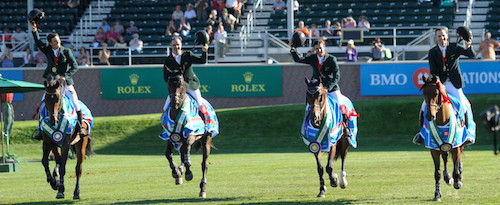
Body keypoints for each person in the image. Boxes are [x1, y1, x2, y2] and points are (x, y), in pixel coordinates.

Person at [413, 26, 476, 145]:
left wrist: (468, 44)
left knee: (463, 104)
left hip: (454, 83)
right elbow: (433, 70)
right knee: (424, 106)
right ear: (436, 38)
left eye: (443, 35)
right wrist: (437, 82)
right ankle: (421, 134)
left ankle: (468, 134)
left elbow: (471, 54)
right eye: (439, 36)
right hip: (440, 83)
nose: (442, 38)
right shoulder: (432, 52)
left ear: (447, 36)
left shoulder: (454, 47)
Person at [30, 21, 84, 139]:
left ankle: (80, 126)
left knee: (75, 101)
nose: (58, 42)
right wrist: (35, 30)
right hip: (52, 83)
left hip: (64, 82)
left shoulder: (66, 51)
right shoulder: (48, 50)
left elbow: (75, 66)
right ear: (50, 43)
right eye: (55, 41)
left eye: (58, 40)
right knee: (43, 104)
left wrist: (65, 75)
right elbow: (38, 42)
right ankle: (40, 129)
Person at [290, 39, 352, 136]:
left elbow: (337, 76)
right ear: (315, 49)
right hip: (317, 88)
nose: (319, 50)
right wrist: (293, 49)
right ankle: (304, 129)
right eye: (317, 49)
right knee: (308, 107)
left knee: (340, 105)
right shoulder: (313, 58)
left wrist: (327, 88)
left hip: (331, 88)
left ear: (324, 47)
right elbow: (299, 59)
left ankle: (346, 127)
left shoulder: (331, 59)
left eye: (321, 48)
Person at [163, 35, 209, 120]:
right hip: (177, 88)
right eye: (174, 45)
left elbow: (202, 61)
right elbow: (166, 77)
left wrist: (204, 52)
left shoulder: (187, 54)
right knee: (165, 108)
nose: (176, 47)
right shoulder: (168, 60)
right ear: (171, 46)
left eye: (178, 44)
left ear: (181, 45)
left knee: (200, 104)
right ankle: (167, 130)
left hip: (190, 85)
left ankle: (206, 126)